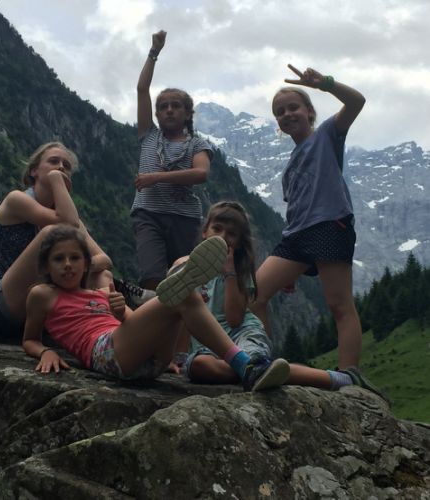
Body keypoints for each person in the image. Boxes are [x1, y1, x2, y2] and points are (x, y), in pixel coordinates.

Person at [22, 224, 288, 392]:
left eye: (75, 258)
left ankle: (242, 364)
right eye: (59, 259)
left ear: (86, 265)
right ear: (45, 266)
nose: (68, 264)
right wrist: (45, 351)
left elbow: (133, 321)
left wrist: (119, 312)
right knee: (183, 296)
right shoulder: (43, 294)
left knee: (185, 297)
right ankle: (246, 365)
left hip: (149, 359)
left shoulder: (101, 293)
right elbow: (29, 339)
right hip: (104, 352)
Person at [175, 201, 382, 396]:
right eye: (217, 229)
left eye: (232, 234)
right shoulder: (185, 265)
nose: (223, 237)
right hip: (207, 347)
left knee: (252, 364)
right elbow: (180, 313)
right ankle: (253, 371)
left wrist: (229, 272)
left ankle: (341, 379)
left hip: (242, 336)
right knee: (199, 366)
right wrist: (179, 357)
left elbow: (234, 319)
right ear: (205, 232)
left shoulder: (239, 271)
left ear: (239, 243)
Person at [251, 65, 366, 372]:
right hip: (296, 237)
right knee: (254, 295)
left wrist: (325, 83)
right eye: (280, 112)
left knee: (339, 306)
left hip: (330, 225)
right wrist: (291, 271)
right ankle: (261, 363)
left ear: (309, 112)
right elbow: (296, 209)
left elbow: (357, 101)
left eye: (293, 108)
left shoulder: (327, 134)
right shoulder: (289, 166)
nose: (287, 114)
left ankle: (348, 377)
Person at [0, 142, 113, 337]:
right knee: (53, 235)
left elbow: (105, 259)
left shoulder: (68, 218)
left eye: (66, 166)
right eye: (54, 161)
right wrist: (57, 180)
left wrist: (81, 267)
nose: (61, 167)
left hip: (33, 308)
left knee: (102, 276)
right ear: (33, 171)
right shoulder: (16, 200)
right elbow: (67, 224)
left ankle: (106, 334)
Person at [131, 30, 213, 291]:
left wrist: (157, 177)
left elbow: (201, 173)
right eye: (163, 106)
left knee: (182, 282)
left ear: (187, 113)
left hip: (184, 219)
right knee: (152, 277)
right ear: (156, 114)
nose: (169, 110)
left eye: (176, 105)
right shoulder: (148, 135)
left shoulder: (197, 144)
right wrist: (153, 52)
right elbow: (142, 89)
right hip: (148, 214)